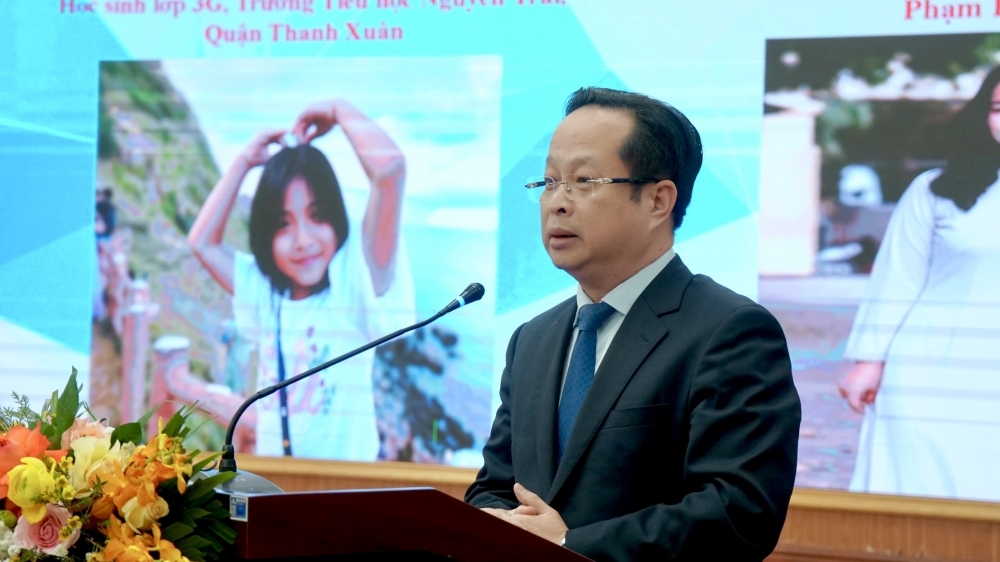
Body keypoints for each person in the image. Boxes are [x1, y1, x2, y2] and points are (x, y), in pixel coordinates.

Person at [465, 87, 801, 561]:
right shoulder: (533, 340)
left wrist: (567, 546)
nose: (557, 202)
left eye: (584, 181)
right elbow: (495, 488)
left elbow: (739, 513)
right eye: (549, 182)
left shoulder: (730, 332)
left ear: (658, 201)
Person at [188, 99, 414, 461]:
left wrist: (338, 110)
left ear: (336, 218)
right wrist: (245, 162)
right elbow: (202, 242)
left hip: (348, 483)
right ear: (265, 233)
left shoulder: (353, 282)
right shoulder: (264, 290)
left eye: (317, 215)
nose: (303, 240)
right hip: (275, 477)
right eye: (283, 223)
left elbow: (389, 172)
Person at [838, 66, 1000, 500]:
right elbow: (897, 278)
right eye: (999, 108)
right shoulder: (936, 191)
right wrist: (869, 362)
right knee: (919, 505)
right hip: (930, 374)